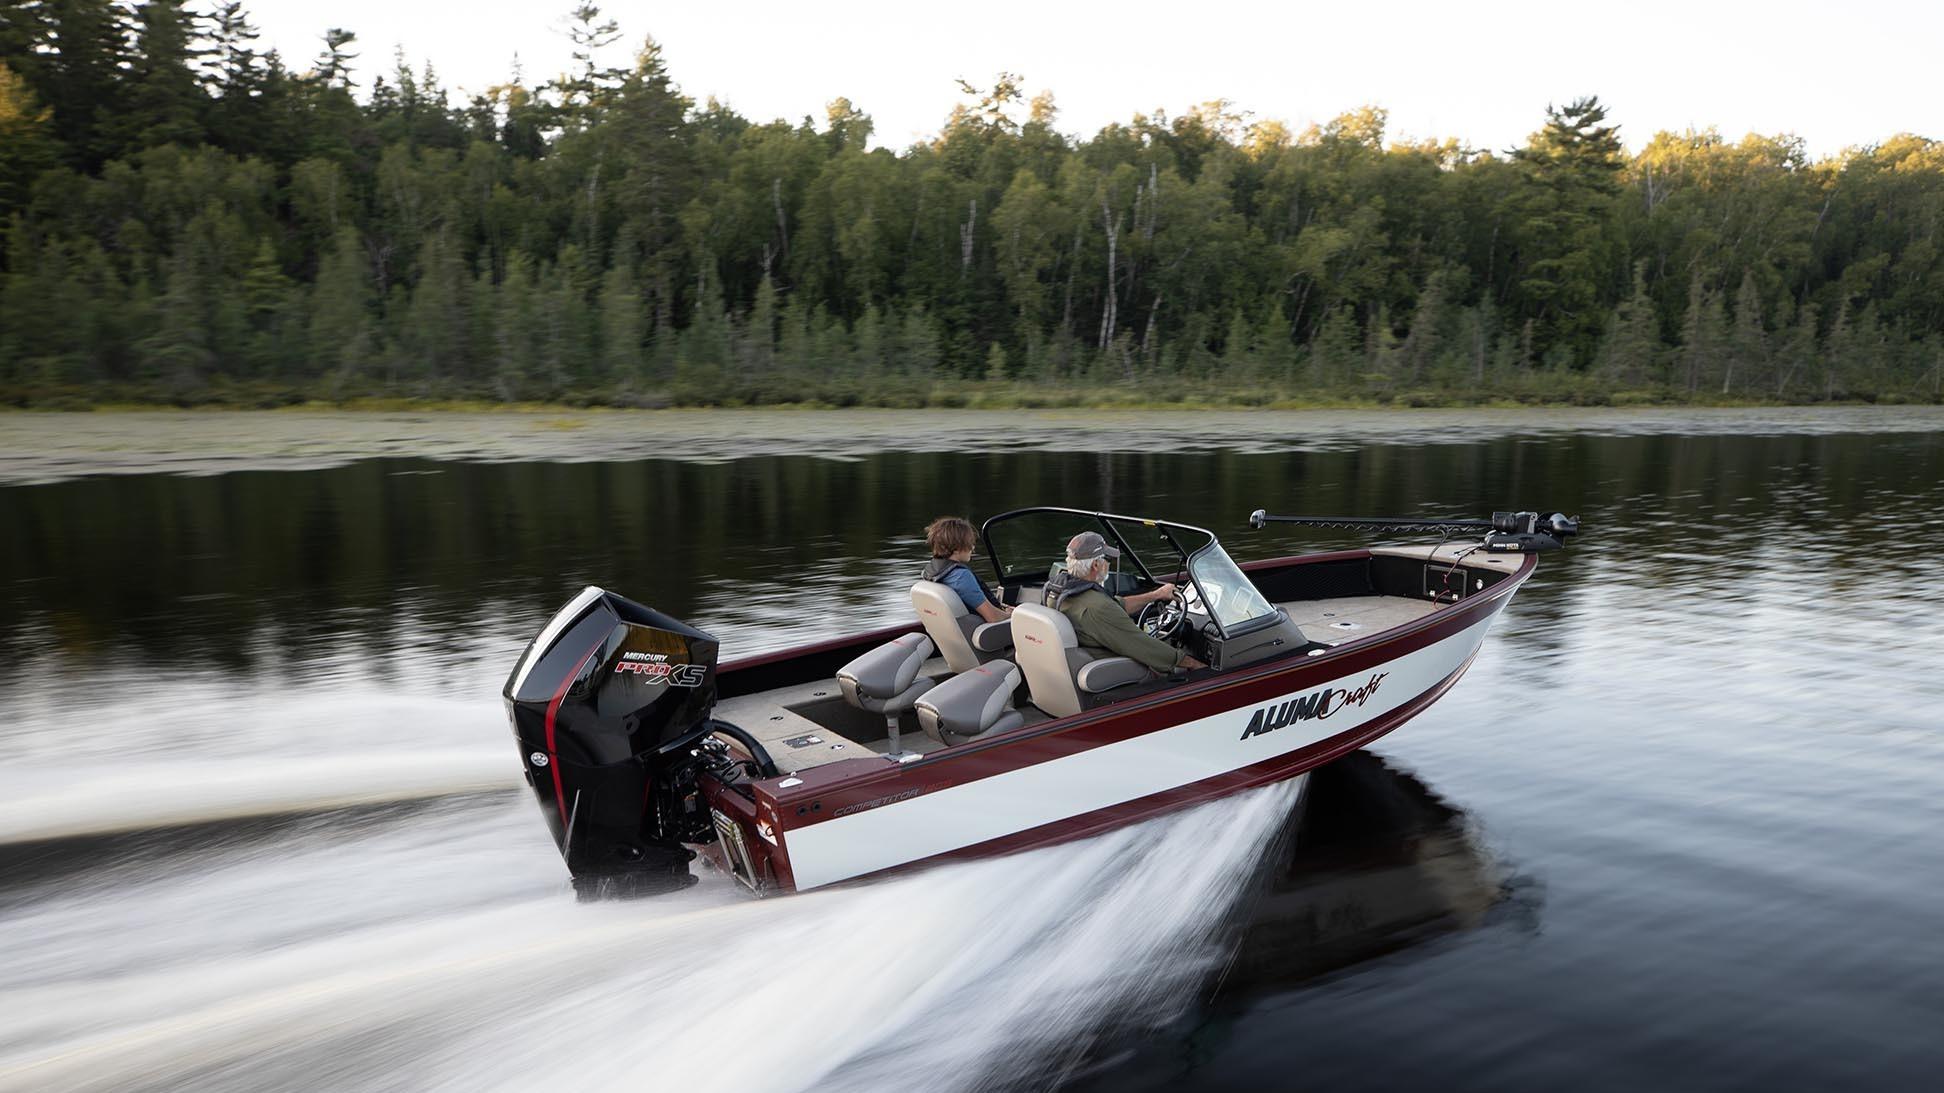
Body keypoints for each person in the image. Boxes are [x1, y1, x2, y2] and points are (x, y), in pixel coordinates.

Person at [1041, 531, 1206, 674]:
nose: (1108, 563)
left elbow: (1115, 606)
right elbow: (1143, 645)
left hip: (1084, 659)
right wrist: (1192, 663)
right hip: (1115, 671)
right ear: (1096, 565)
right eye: (1106, 559)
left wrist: (1156, 595)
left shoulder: (1058, 593)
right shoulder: (1098, 607)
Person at [921, 516, 1012, 624]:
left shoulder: (931, 572)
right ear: (956, 548)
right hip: (985, 634)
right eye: (970, 543)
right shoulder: (961, 577)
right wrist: (1014, 614)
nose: (973, 547)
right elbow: (993, 617)